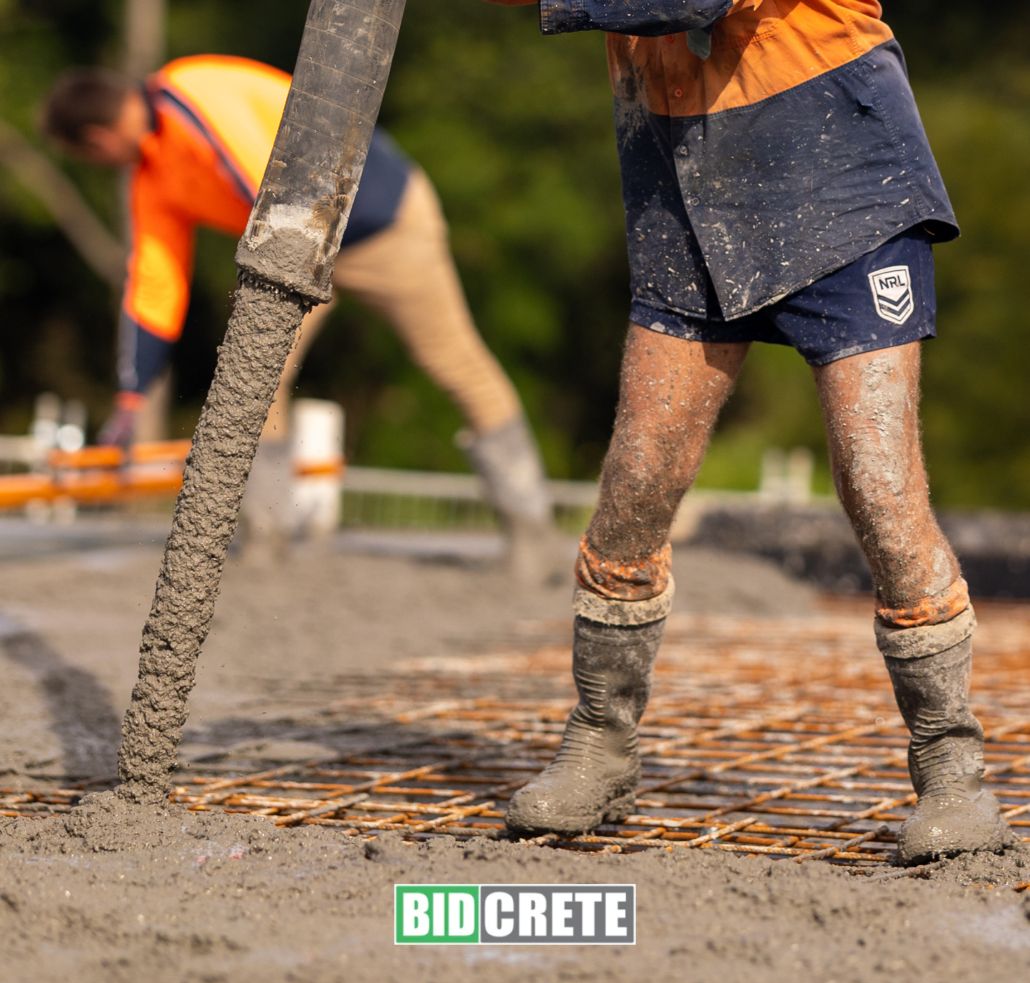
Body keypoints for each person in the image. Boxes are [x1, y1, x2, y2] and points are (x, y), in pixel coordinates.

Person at [487, 0, 1013, 864]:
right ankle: (601, 741)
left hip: (843, 173)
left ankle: (952, 770)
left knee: (878, 487)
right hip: (688, 178)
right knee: (636, 484)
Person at [41, 54, 558, 569]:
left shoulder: (190, 94)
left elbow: (265, 175)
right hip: (297, 249)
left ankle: (529, 529)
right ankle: (267, 536)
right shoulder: (152, 175)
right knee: (254, 379)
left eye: (90, 158)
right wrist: (132, 393)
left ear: (97, 139)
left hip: (381, 226)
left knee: (453, 361)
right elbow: (156, 282)